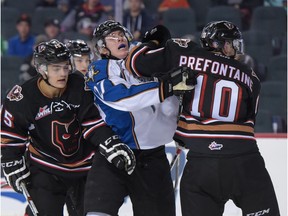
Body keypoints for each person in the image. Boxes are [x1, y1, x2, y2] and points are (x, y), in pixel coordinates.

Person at [126, 21, 280, 216]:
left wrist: (153, 42)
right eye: (232, 43)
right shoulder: (251, 76)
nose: (235, 49)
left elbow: (134, 63)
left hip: (201, 162)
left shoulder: (185, 54)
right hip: (244, 161)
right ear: (221, 44)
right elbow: (250, 119)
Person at [1, 39, 134, 216]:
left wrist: (110, 142)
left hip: (85, 167)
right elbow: (12, 136)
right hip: (46, 167)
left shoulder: (80, 86)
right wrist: (11, 161)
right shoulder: (22, 97)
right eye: (56, 69)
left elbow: (92, 122)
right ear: (42, 70)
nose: (63, 73)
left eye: (65, 67)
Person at [83, 20, 195, 216]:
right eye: (113, 37)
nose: (120, 39)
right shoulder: (100, 68)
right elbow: (119, 97)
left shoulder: (145, 64)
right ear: (102, 48)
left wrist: (182, 123)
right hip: (115, 153)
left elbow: (170, 107)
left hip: (153, 159)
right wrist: (166, 87)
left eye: (122, 35)